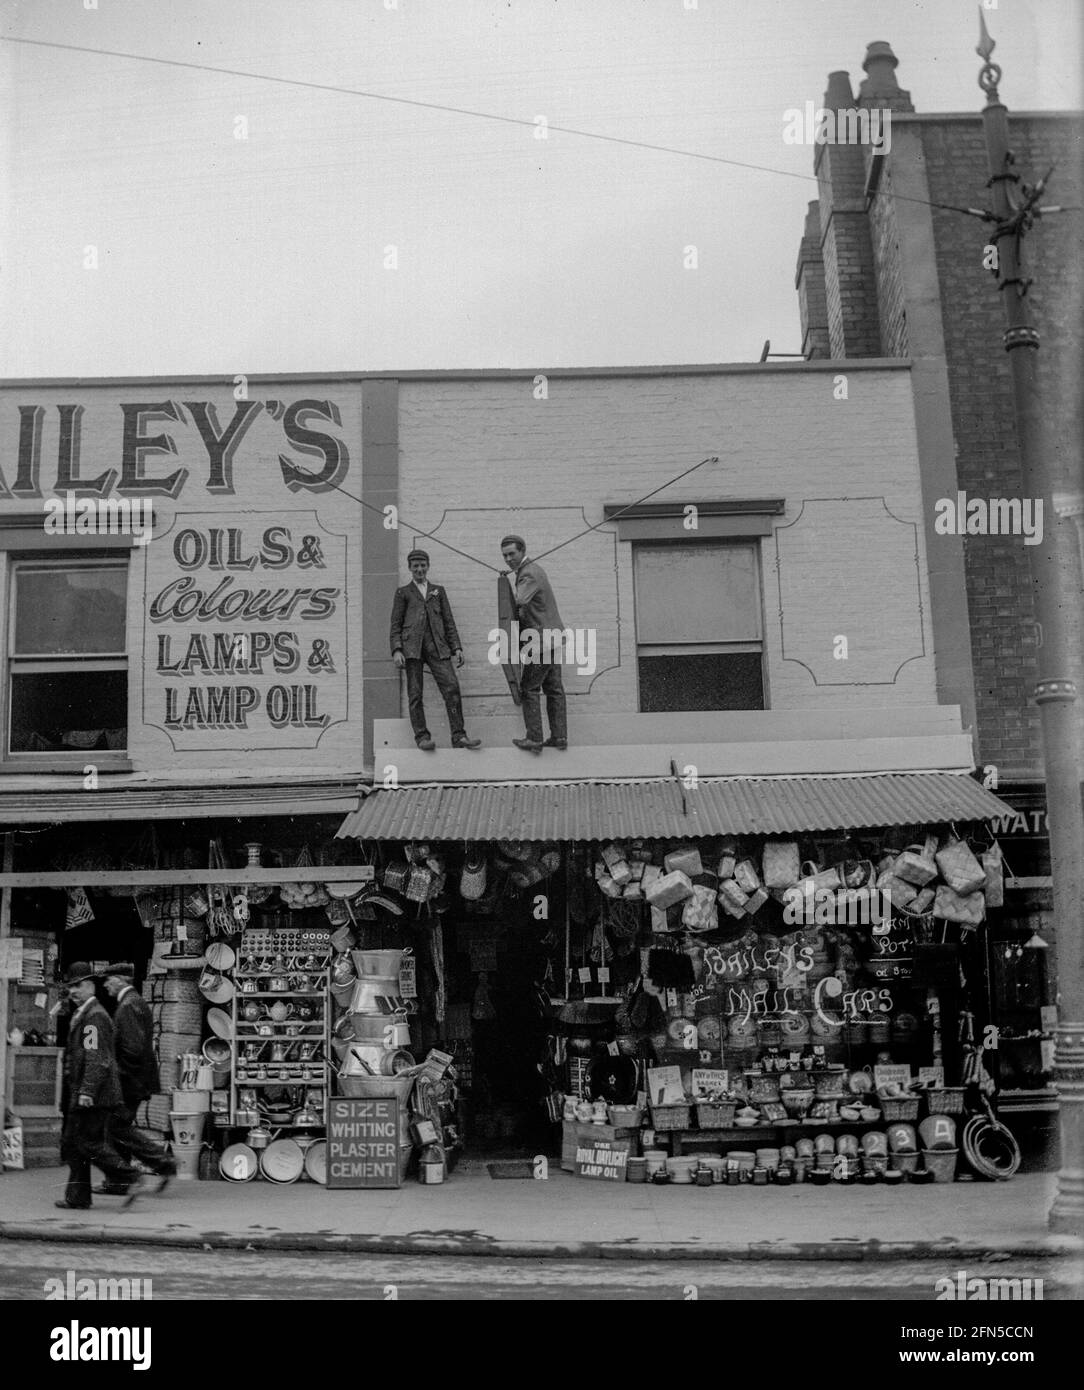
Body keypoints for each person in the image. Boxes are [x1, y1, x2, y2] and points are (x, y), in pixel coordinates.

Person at [55, 962, 139, 1210]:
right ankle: (78, 1197)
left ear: (91, 985)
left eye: (78, 985)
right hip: (86, 1092)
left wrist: (87, 1091)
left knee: (85, 1144)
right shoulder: (85, 1013)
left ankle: (130, 1176)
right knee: (77, 1145)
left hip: (93, 1095)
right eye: (70, 987)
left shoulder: (94, 1017)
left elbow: (96, 1058)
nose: (74, 991)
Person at [389, 549, 481, 751]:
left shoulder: (438, 591)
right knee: (415, 694)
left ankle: (459, 736)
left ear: (428, 566)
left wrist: (456, 647)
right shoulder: (403, 593)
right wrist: (397, 650)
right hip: (412, 649)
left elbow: (449, 621)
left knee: (452, 688)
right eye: (415, 566)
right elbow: (395, 624)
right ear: (410, 568)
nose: (419, 569)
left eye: (423, 565)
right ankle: (422, 737)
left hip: (437, 647)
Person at [98, 962, 176, 1195]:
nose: (106, 985)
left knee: (115, 1127)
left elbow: (132, 1049)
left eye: (108, 980)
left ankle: (161, 1163)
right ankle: (120, 1180)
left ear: (120, 979)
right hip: (134, 1079)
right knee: (116, 1127)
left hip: (129, 1081)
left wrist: (118, 1077)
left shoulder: (129, 1006)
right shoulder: (133, 1002)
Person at [500, 535, 568, 752]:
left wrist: (506, 583)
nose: (508, 559)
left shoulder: (527, 573)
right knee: (553, 688)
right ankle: (559, 737)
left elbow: (518, 601)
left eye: (512, 554)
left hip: (540, 641)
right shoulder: (533, 569)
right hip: (552, 639)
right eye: (505, 555)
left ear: (522, 551)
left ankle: (535, 738)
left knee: (529, 688)